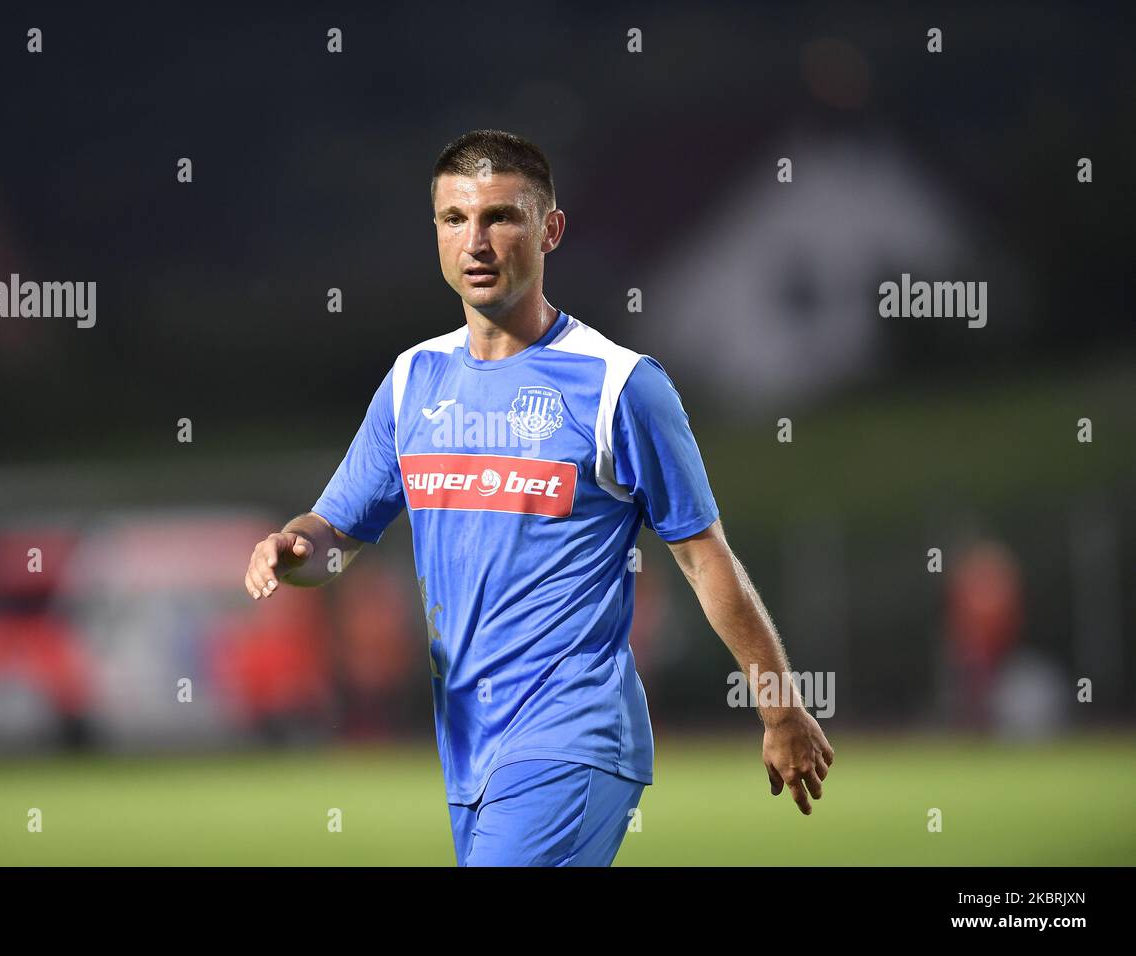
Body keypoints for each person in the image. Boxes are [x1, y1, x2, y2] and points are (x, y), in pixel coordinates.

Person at [244, 129, 834, 866]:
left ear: (549, 229)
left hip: (573, 737)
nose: (477, 241)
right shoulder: (411, 383)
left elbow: (703, 558)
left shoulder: (621, 386)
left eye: (501, 217)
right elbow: (335, 539)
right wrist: (294, 550)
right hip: (468, 750)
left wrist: (778, 706)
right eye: (455, 219)